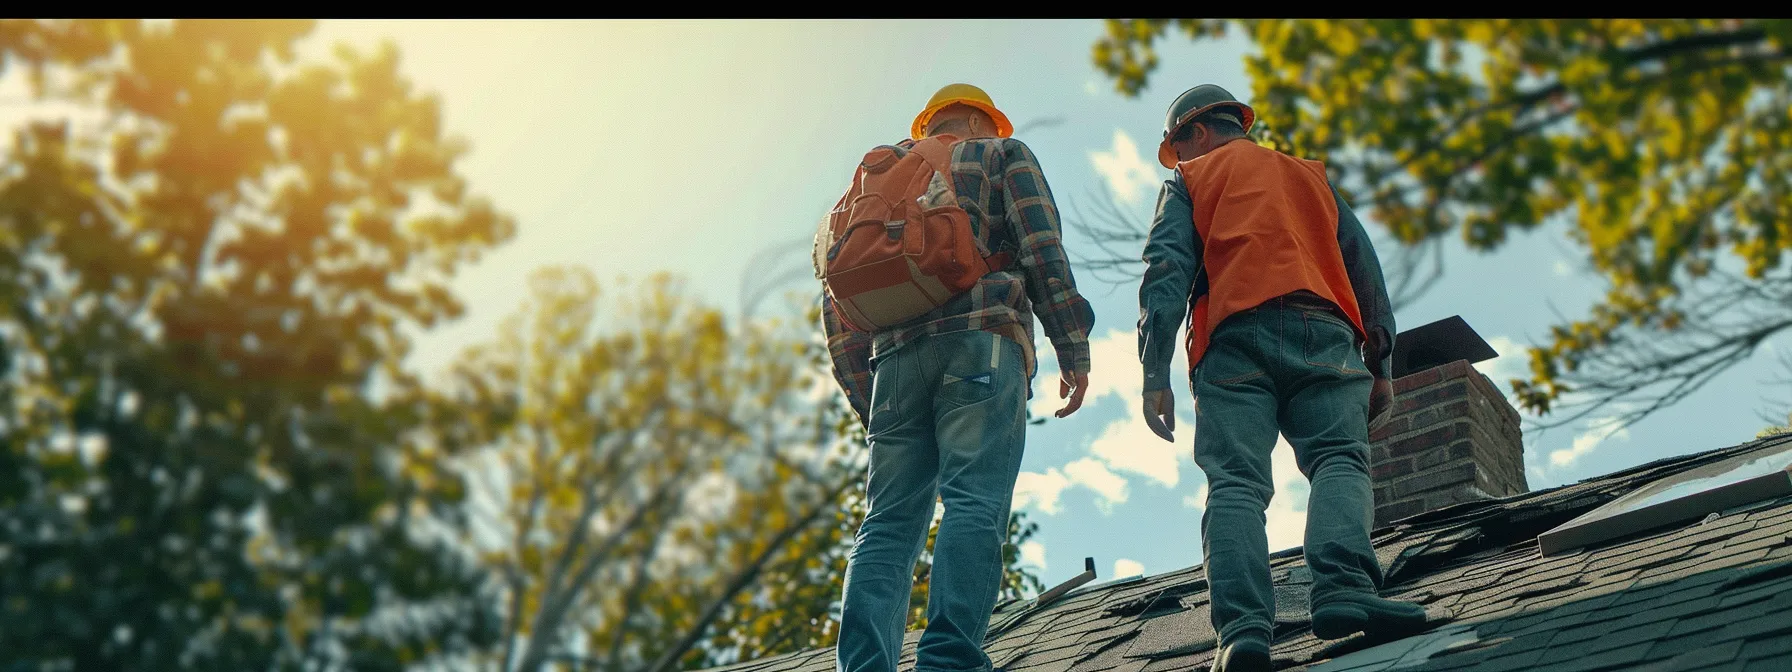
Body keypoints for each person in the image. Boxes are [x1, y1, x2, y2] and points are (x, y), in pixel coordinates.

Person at [1134, 84, 1437, 672]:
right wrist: (1383, 365)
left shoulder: (1189, 181)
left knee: (1236, 485)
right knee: (1339, 461)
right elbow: (1363, 267)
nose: (1182, 158)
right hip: (1322, 332)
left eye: (1180, 145)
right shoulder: (1308, 177)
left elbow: (1165, 269)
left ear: (1197, 131)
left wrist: (1154, 370)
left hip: (1231, 339)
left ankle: (1243, 633)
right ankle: (1345, 588)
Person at [820, 83, 1096, 672]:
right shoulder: (1000, 156)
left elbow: (836, 296)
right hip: (982, 341)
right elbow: (1042, 247)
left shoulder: (872, 182)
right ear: (977, 121)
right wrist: (1071, 345)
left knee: (887, 521)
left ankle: (864, 665)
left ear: (929, 125)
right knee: (974, 500)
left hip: (892, 363)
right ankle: (947, 660)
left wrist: (869, 401)